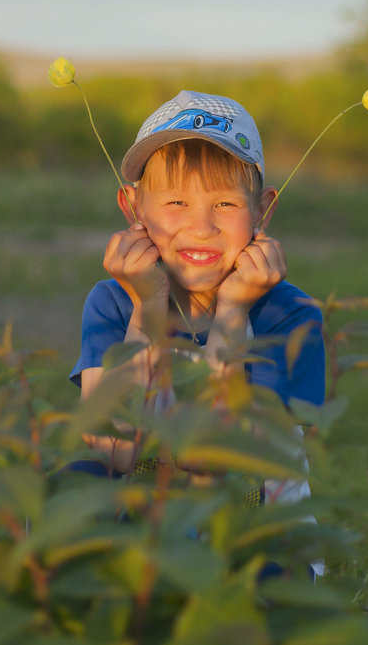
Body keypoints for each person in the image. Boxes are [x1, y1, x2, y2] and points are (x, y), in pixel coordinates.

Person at [69, 90, 326, 505]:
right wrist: (147, 307)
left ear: (262, 210)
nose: (202, 226)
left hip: (254, 544)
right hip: (146, 541)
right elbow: (111, 446)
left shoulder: (289, 315)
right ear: (133, 209)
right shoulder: (114, 304)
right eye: (176, 202)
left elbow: (217, 460)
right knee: (75, 475)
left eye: (225, 202)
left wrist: (233, 311)